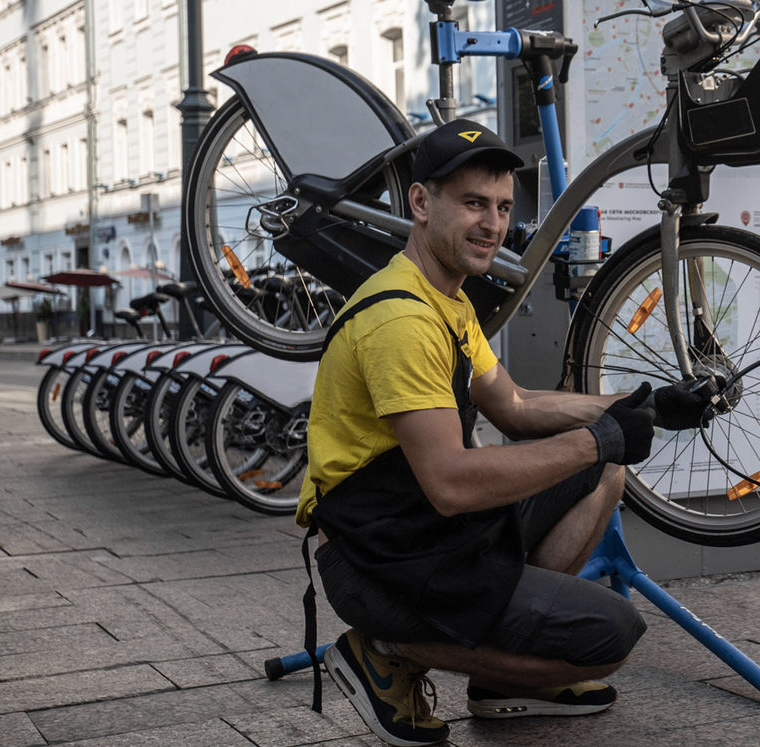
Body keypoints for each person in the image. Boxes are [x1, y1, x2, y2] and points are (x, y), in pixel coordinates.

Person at [296, 119, 716, 746]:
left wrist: (641, 405)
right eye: (472, 204)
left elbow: (515, 405)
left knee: (605, 470)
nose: (492, 224)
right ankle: (387, 651)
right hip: (376, 559)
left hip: (421, 531)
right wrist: (597, 437)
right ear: (420, 203)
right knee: (609, 638)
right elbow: (450, 484)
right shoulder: (402, 321)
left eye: (500, 207)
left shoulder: (449, 301)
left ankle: (501, 678)